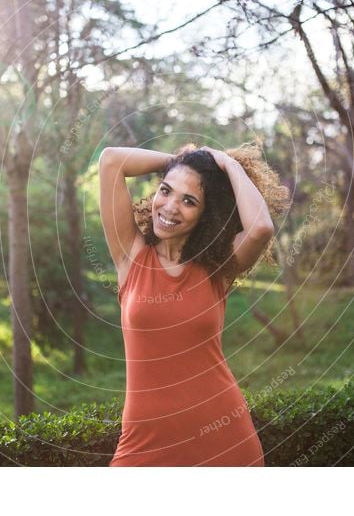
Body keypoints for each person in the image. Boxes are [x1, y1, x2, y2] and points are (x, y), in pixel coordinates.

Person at [98, 142, 289, 466]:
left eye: (189, 201)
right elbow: (111, 161)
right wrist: (181, 161)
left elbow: (260, 228)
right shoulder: (131, 257)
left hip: (224, 443)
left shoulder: (218, 268)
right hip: (143, 447)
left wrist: (227, 163)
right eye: (166, 190)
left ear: (205, 213)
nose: (170, 207)